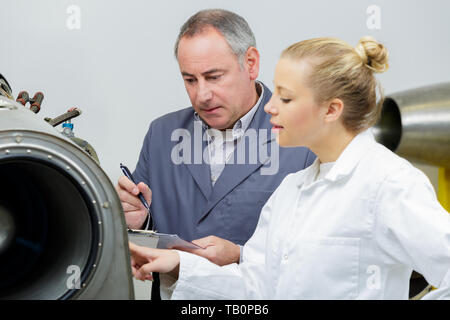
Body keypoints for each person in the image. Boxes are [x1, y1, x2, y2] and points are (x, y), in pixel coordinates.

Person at [128, 36, 450, 299]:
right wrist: (179, 263)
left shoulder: (388, 183)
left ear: (331, 109)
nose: (269, 106)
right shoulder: (291, 190)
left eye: (285, 98)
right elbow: (254, 287)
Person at [116, 9, 315, 298]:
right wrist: (140, 224)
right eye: (190, 80)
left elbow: (319, 259)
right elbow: (147, 236)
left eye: (214, 77)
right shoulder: (161, 134)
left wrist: (240, 255)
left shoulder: (304, 139)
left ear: (250, 63)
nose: (202, 95)